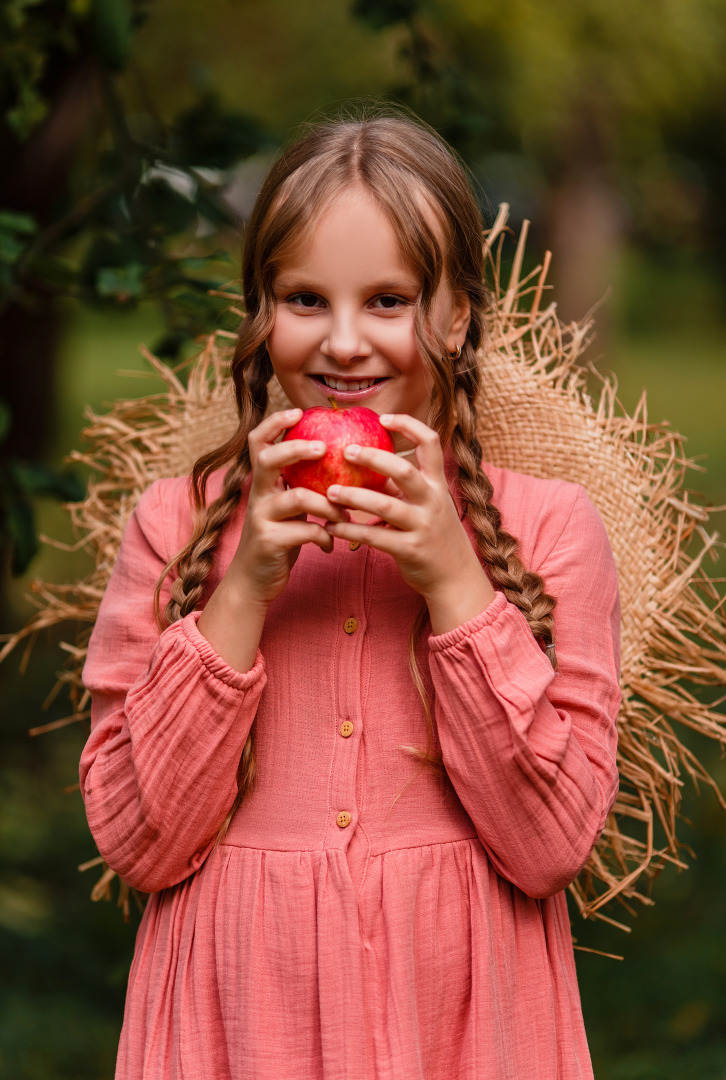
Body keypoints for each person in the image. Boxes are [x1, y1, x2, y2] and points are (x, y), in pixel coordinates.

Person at [80, 112, 621, 1080]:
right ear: (259, 311)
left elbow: (549, 848)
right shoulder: (176, 526)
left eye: (386, 300)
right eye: (302, 298)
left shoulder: (548, 532)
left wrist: (456, 584)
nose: (342, 342)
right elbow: (136, 841)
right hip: (238, 1024)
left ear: (456, 315)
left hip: (461, 1024)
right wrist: (240, 590)